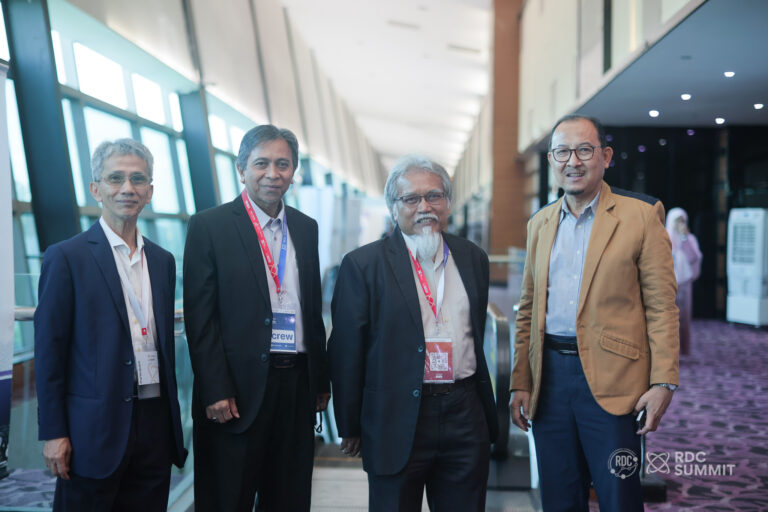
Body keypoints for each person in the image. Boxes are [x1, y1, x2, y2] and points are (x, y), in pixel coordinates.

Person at [510, 114, 679, 511]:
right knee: (558, 497)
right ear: (551, 160)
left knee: (619, 496)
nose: (573, 161)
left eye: (584, 150)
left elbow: (661, 307)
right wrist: (521, 381)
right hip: (550, 381)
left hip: (616, 380)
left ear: (605, 156)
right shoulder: (539, 224)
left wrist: (664, 382)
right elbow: (528, 309)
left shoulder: (641, 215)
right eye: (562, 152)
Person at [329, 155, 499, 512]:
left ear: (448, 202)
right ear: (394, 207)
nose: (424, 207)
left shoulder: (472, 258)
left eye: (434, 196)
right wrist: (349, 425)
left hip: (464, 412)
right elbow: (347, 351)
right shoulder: (363, 265)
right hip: (395, 414)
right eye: (411, 199)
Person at [34, 139, 187, 511]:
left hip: (153, 422)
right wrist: (54, 432)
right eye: (115, 178)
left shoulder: (163, 261)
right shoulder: (66, 258)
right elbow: (49, 352)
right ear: (96, 189)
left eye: (138, 179)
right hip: (92, 430)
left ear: (150, 191)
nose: (127, 188)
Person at [183, 124, 329, 511]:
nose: (273, 173)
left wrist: (320, 379)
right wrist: (215, 388)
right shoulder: (209, 226)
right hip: (235, 391)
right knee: (228, 498)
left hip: (296, 386)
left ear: (293, 171)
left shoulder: (306, 228)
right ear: (241, 168)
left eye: (283, 164)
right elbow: (201, 318)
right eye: (261, 163)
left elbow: (311, 309)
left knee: (289, 498)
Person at [666, 207, 702, 355]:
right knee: (668, 318)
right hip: (667, 282)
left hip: (684, 282)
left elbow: (694, 257)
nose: (680, 224)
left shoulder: (689, 239)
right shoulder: (664, 237)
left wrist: (684, 238)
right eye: (677, 221)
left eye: (682, 221)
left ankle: (683, 350)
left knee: (684, 317)